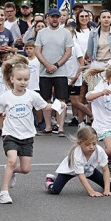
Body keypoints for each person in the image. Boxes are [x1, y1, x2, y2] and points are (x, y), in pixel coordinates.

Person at [0, 55, 49, 204]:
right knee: (11, 160)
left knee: (25, 169)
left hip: (27, 136)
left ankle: (12, 172)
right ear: (12, 79)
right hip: (10, 134)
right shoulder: (6, 97)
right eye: (19, 79)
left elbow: (45, 106)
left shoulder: (32, 95)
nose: (23, 82)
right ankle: (4, 192)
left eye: (26, 79)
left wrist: (59, 106)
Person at [45, 126, 111, 196]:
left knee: (110, 187)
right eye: (88, 144)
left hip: (89, 169)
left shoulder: (99, 151)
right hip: (69, 171)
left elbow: (106, 170)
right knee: (55, 190)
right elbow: (81, 175)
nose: (91, 147)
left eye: (94, 143)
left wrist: (107, 190)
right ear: (80, 143)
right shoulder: (77, 154)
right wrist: (91, 191)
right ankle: (50, 181)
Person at [35, 7, 73, 135]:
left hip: (61, 71)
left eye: (57, 17)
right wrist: (47, 65)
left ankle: (60, 127)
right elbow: (37, 51)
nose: (55, 19)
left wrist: (56, 65)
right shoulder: (41, 33)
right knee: (45, 100)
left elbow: (68, 52)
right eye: (52, 17)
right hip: (44, 71)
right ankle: (47, 127)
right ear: (47, 18)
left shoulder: (65, 33)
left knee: (61, 100)